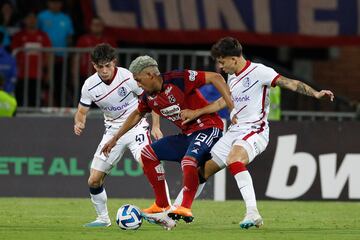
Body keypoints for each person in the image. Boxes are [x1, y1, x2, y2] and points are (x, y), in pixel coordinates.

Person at [176, 36, 334, 229]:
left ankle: (253, 213)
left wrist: (315, 93)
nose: (221, 67)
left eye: (222, 62)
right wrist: (197, 112)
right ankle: (175, 210)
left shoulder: (260, 72)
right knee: (201, 171)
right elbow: (223, 102)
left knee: (235, 159)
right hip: (235, 131)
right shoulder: (232, 76)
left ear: (234, 59)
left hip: (255, 129)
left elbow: (290, 83)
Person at [101, 55, 234, 223]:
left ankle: (185, 207)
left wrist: (231, 106)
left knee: (188, 161)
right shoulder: (148, 97)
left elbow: (216, 77)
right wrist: (115, 139)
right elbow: (136, 114)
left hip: (208, 128)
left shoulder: (179, 79)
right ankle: (162, 204)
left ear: (150, 74)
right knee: (147, 153)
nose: (137, 84)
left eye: (139, 80)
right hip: (187, 135)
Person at [73, 44, 162, 227]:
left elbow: (152, 98)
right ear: (93, 66)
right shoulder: (90, 85)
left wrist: (156, 126)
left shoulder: (128, 77)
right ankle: (103, 219)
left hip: (136, 127)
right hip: (112, 132)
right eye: (100, 67)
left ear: (114, 63)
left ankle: (163, 210)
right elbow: (82, 111)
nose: (104, 71)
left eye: (107, 65)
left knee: (149, 164)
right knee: (94, 179)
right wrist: (79, 122)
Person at [37, 0, 74, 106]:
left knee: (60, 83)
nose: (55, 4)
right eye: (53, 2)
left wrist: (69, 54)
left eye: (58, 2)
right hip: (45, 57)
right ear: (48, 3)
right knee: (44, 83)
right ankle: (42, 105)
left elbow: (69, 37)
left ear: (61, 4)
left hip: (61, 57)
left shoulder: (66, 18)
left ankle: (59, 107)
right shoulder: (41, 16)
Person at [11, 11, 52, 107]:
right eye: (29, 18)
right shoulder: (18, 36)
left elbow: (49, 55)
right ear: (24, 20)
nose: (32, 20)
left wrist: (48, 73)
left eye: (34, 18)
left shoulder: (43, 36)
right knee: (21, 101)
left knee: (36, 102)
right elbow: (14, 56)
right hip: (21, 75)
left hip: (38, 75)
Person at [74, 16, 117, 87]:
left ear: (103, 26)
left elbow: (116, 59)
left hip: (105, 75)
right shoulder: (83, 39)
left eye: (99, 25)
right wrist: (74, 75)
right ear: (90, 26)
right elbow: (77, 58)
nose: (97, 27)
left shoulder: (109, 40)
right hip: (85, 75)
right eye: (94, 25)